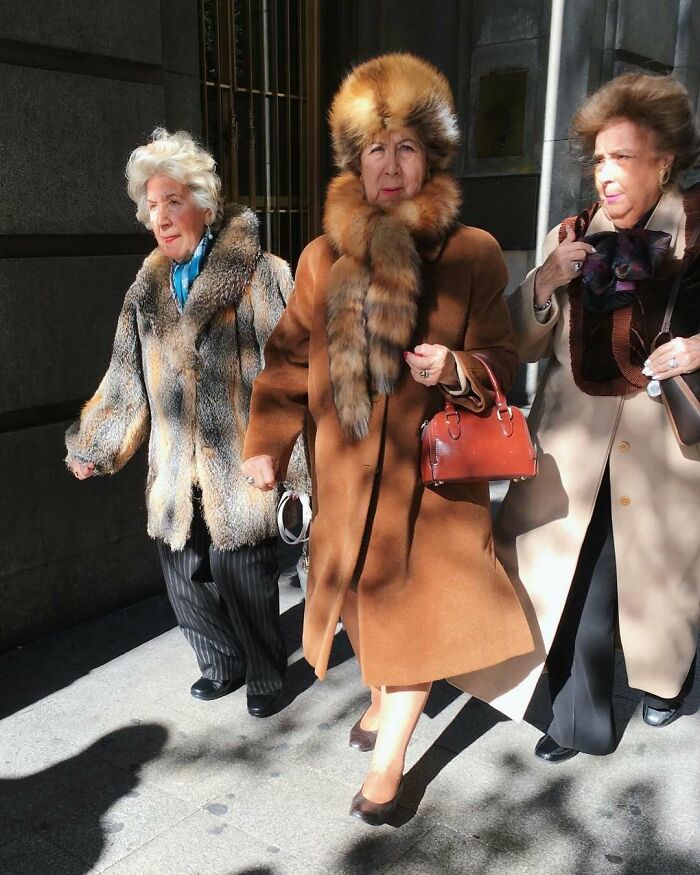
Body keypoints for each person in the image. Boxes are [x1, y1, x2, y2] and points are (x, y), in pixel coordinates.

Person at [241, 53, 534, 824]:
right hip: (345, 483)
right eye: (376, 148)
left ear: (430, 156)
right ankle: (382, 691)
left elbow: (503, 361)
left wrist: (455, 366)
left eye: (406, 146)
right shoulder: (321, 259)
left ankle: (390, 764)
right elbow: (286, 360)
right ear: (355, 161)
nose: (391, 164)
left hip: (431, 488)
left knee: (413, 612)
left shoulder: (471, 254)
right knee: (362, 605)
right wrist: (267, 442)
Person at [455, 73, 700, 762]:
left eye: (623, 157)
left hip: (663, 450)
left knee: (652, 581)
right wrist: (544, 280)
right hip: (572, 446)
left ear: (663, 162)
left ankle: (664, 679)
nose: (607, 173)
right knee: (573, 578)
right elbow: (522, 343)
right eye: (599, 160)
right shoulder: (570, 235)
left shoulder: (697, 231)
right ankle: (578, 720)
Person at [65, 129, 307, 718]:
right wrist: (95, 446)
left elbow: (293, 369)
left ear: (203, 203)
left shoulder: (262, 275)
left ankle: (265, 671)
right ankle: (221, 663)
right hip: (175, 462)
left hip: (242, 457)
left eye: (173, 201)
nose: (161, 217)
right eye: (152, 205)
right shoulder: (144, 291)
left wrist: (288, 457)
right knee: (183, 568)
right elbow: (126, 375)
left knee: (240, 567)